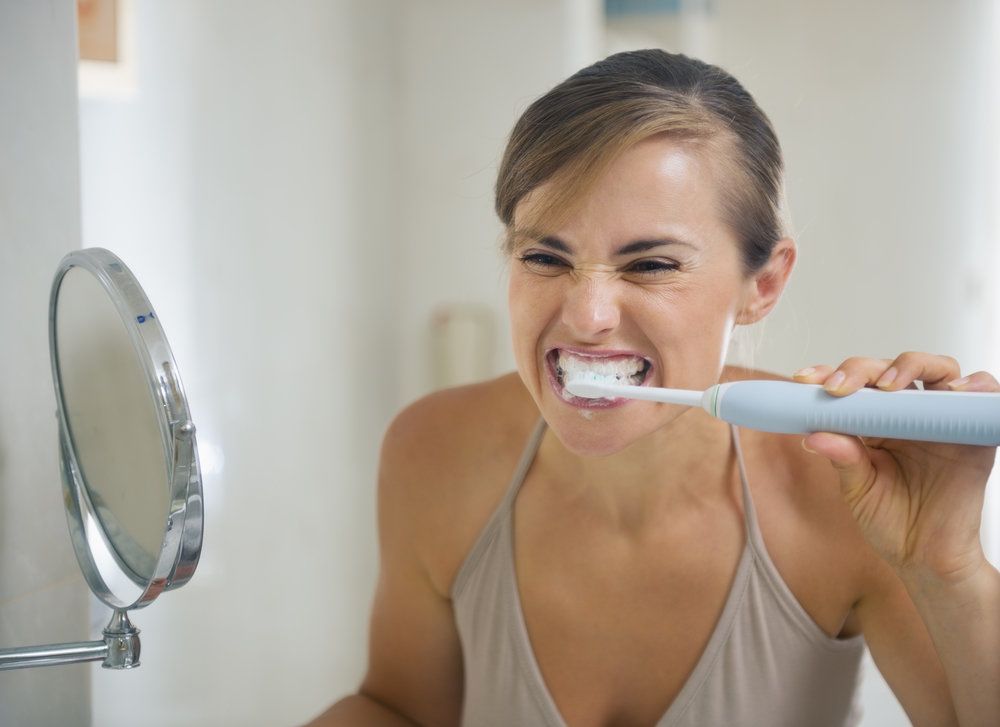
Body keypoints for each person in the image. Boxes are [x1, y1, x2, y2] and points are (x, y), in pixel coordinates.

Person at [309, 50, 999, 726]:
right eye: (545, 256)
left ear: (763, 284)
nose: (586, 316)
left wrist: (950, 568)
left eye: (651, 264)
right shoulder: (433, 450)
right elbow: (399, 708)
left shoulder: (841, 489)